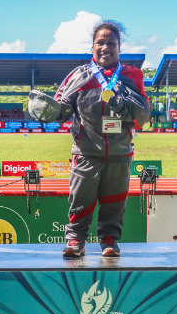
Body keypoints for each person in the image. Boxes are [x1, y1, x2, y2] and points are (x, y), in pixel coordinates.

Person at [55, 20, 149, 257]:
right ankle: (76, 240)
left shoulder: (132, 75)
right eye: (100, 42)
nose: (105, 47)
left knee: (114, 202)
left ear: (119, 48)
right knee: (80, 200)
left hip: (119, 153)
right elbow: (59, 109)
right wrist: (49, 110)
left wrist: (123, 104)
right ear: (92, 47)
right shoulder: (78, 75)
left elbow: (143, 116)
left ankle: (109, 241)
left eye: (111, 43)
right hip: (86, 152)